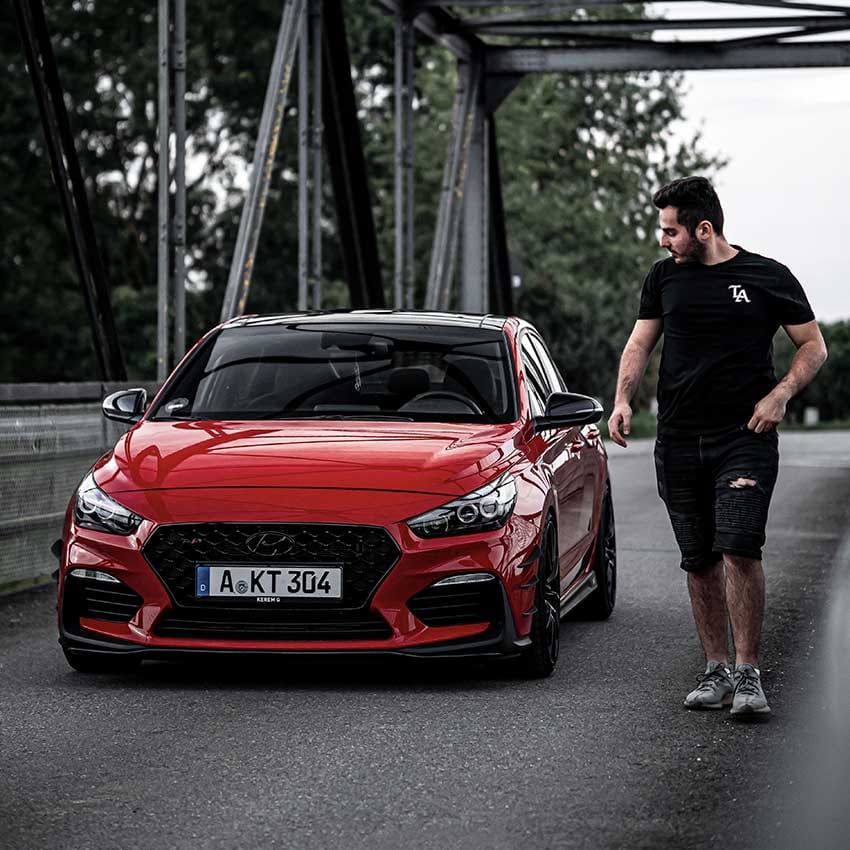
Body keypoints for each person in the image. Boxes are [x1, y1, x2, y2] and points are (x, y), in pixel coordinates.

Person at [608, 176, 828, 721]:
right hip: (679, 440)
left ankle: (749, 674)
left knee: (739, 547)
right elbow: (640, 342)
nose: (663, 241)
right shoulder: (663, 279)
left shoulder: (766, 277)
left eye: (671, 231)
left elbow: (813, 346)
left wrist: (780, 395)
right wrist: (622, 401)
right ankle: (716, 669)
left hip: (744, 438)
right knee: (700, 558)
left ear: (704, 229)